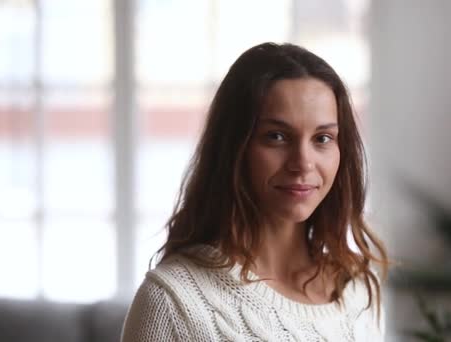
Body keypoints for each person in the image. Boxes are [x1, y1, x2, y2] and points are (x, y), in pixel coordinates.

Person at [121, 42, 388, 341]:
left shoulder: (357, 290)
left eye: (322, 138)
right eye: (276, 136)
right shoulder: (173, 303)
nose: (303, 163)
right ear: (234, 147)